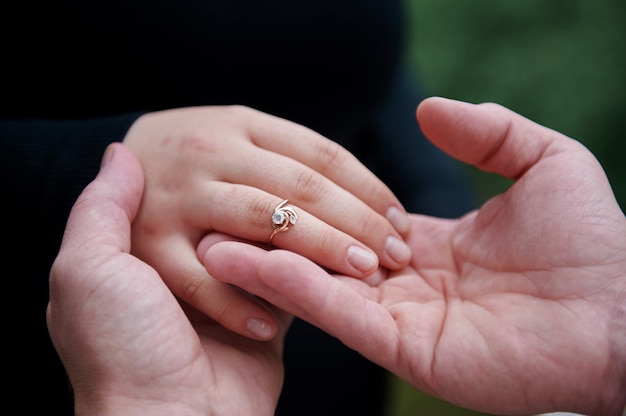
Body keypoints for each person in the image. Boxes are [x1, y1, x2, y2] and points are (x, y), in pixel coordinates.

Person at [3, 1, 476, 414]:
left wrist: (436, 207)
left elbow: (357, 52)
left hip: (344, 329)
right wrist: (75, 167)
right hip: (100, 331)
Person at [199, 97, 626, 416]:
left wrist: (613, 323)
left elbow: (376, 73)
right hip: (224, 303)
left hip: (367, 317)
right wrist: (132, 134)